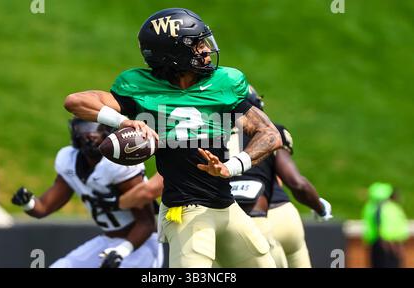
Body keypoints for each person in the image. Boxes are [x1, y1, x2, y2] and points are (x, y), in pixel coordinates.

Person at [64, 8, 282, 268]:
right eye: (196, 44)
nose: (205, 50)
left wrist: (230, 167)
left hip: (227, 208)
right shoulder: (140, 87)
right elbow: (75, 101)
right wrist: (125, 121)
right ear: (172, 53)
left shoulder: (223, 83)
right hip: (185, 211)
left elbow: (269, 135)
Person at [11, 118, 162, 268]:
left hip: (139, 245)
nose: (90, 135)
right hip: (107, 241)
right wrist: (27, 203)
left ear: (108, 133)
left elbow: (147, 223)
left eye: (95, 129)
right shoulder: (68, 160)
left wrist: (121, 251)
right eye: (84, 129)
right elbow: (43, 208)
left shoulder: (117, 165)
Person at [229, 86, 333, 268]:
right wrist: (320, 207)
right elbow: (296, 183)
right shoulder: (271, 133)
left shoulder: (210, 135)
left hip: (238, 222)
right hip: (281, 215)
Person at [362, 182, 409, 268]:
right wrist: (394, 245)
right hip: (389, 245)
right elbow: (386, 228)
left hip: (377, 242)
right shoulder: (389, 208)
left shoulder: (370, 207)